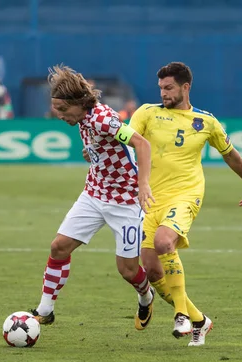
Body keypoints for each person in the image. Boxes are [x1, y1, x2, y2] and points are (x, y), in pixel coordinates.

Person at [128, 62, 242, 346]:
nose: (163, 93)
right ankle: (199, 319)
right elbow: (126, 140)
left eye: (169, 88)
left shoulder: (206, 121)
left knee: (164, 242)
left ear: (186, 87)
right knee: (151, 269)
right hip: (151, 198)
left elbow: (230, 154)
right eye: (161, 88)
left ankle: (180, 316)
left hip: (186, 194)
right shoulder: (147, 113)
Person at [30, 65, 157, 333]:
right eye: (56, 109)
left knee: (127, 270)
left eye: (63, 110)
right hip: (94, 194)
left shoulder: (104, 119)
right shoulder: (83, 120)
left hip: (125, 200)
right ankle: (45, 310)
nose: (59, 115)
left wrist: (143, 184)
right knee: (59, 247)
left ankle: (146, 296)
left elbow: (141, 144)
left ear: (79, 104)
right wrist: (92, 151)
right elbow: (106, 146)